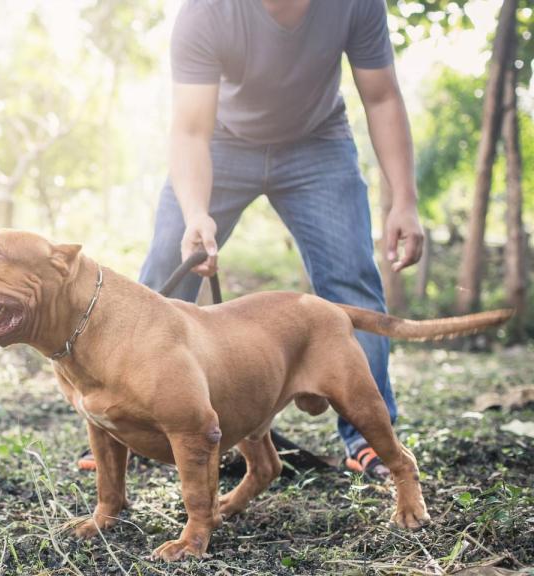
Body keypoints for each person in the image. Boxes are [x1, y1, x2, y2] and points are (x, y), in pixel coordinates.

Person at [81, 0, 425, 479]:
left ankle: (369, 439)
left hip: (318, 144)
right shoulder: (207, 13)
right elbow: (191, 129)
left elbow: (383, 97)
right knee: (164, 269)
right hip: (221, 143)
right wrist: (197, 213)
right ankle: (126, 423)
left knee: (351, 281)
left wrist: (404, 202)